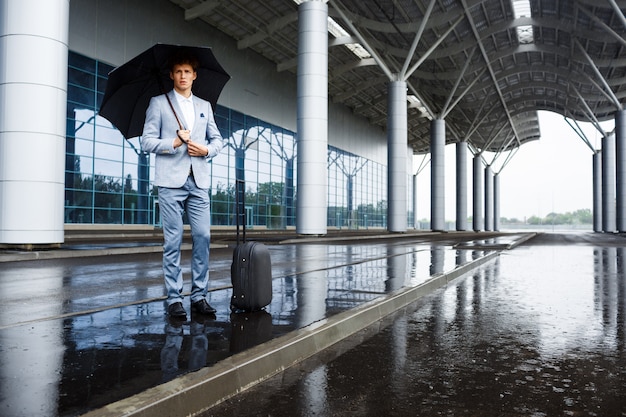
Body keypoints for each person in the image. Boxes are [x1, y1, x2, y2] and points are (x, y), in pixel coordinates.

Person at [141, 52, 225, 319]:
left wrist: (206, 150)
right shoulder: (158, 103)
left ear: (194, 75)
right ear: (171, 75)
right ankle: (174, 298)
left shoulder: (205, 105)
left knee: (203, 237)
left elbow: (218, 140)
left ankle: (199, 295)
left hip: (198, 181)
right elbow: (146, 142)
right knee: (173, 241)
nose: (183, 76)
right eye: (178, 71)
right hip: (170, 182)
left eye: (187, 71)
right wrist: (173, 143)